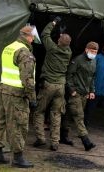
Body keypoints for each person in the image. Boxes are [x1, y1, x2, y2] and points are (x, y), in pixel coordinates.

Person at [0, 25, 40, 168]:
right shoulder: (24, 53)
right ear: (29, 37)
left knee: (0, 122)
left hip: (3, 90)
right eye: (33, 37)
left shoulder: (9, 47)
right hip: (17, 94)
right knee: (18, 125)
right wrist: (32, 98)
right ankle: (18, 157)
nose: (33, 40)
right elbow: (27, 79)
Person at [33, 17, 72, 151]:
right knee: (56, 114)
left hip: (48, 84)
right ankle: (55, 142)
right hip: (60, 87)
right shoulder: (69, 52)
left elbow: (45, 34)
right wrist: (62, 36)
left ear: (58, 41)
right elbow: (66, 42)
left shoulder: (52, 48)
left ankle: (40, 138)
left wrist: (53, 22)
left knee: (39, 111)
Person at [60, 41, 98, 151]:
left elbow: (92, 78)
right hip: (76, 93)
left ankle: (63, 136)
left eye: (95, 52)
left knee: (69, 114)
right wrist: (72, 90)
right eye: (92, 51)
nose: (93, 53)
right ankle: (86, 141)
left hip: (84, 94)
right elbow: (69, 75)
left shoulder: (94, 61)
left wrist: (92, 91)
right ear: (86, 50)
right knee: (79, 116)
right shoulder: (77, 60)